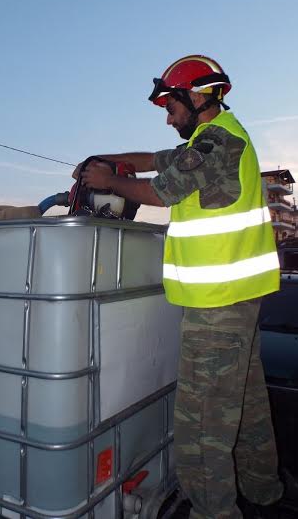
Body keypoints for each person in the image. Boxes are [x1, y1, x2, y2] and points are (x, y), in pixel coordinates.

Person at [79, 55, 284, 518]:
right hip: (236, 301)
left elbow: (159, 191)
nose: (169, 119)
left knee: (202, 423)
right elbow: (153, 161)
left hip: (218, 307)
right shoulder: (214, 139)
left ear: (195, 96)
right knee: (246, 405)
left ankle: (215, 512)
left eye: (171, 108)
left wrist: (106, 181)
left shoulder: (215, 144)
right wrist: (109, 160)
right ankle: (264, 491)